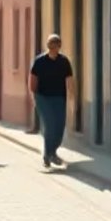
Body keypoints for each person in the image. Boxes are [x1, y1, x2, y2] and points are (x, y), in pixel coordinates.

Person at [28, 34, 74, 168]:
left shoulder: (64, 62)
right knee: (50, 124)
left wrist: (72, 99)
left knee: (59, 126)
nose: (53, 48)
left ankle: (51, 152)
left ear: (59, 47)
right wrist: (34, 98)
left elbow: (70, 81)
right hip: (42, 97)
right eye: (50, 46)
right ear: (47, 46)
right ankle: (48, 155)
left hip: (59, 97)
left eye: (55, 46)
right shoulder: (39, 61)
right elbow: (32, 80)